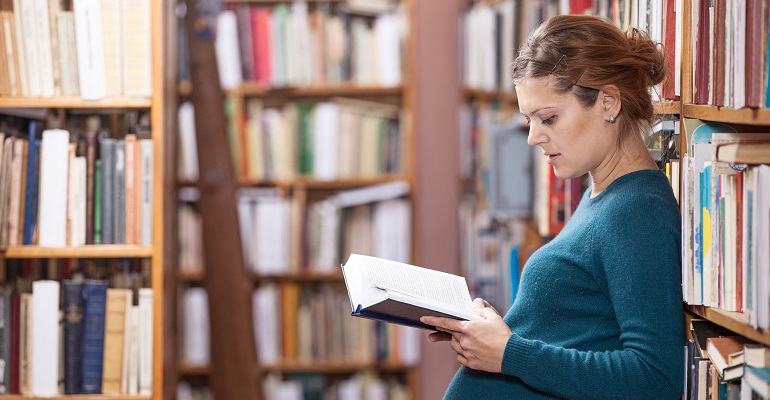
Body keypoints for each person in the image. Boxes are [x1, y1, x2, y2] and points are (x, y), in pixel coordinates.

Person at [420, 14, 684, 399]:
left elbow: (654, 378)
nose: (532, 137)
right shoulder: (601, 191)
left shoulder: (638, 211)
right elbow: (576, 333)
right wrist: (491, 334)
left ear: (608, 102)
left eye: (548, 118)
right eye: (528, 120)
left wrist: (510, 353)